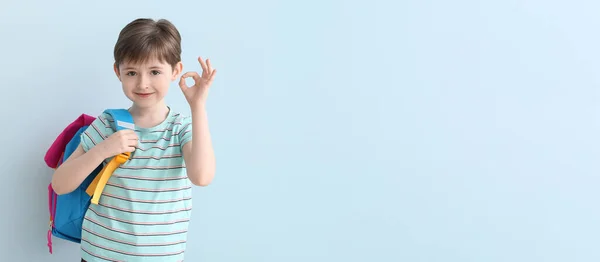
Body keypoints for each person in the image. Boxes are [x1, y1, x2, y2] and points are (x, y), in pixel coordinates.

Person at [51, 17, 217, 262]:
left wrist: (198, 105)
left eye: (155, 72)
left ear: (176, 71)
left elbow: (202, 177)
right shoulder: (108, 124)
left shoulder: (181, 128)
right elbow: (60, 184)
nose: (142, 83)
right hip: (100, 255)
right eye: (131, 72)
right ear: (118, 72)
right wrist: (102, 150)